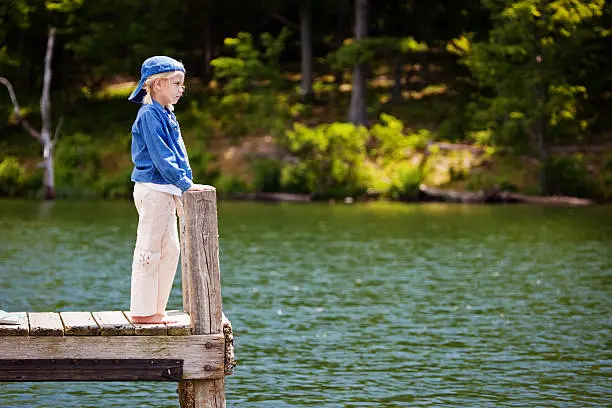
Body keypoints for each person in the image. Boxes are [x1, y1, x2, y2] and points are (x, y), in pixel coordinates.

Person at [127, 56, 213, 324]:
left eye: (182, 84)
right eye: (176, 83)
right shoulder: (149, 115)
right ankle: (142, 312)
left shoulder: (165, 113)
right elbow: (161, 156)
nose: (181, 89)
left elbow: (178, 153)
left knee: (170, 251)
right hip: (153, 189)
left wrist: (186, 181)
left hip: (166, 190)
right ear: (158, 84)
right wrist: (184, 183)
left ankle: (156, 310)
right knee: (149, 251)